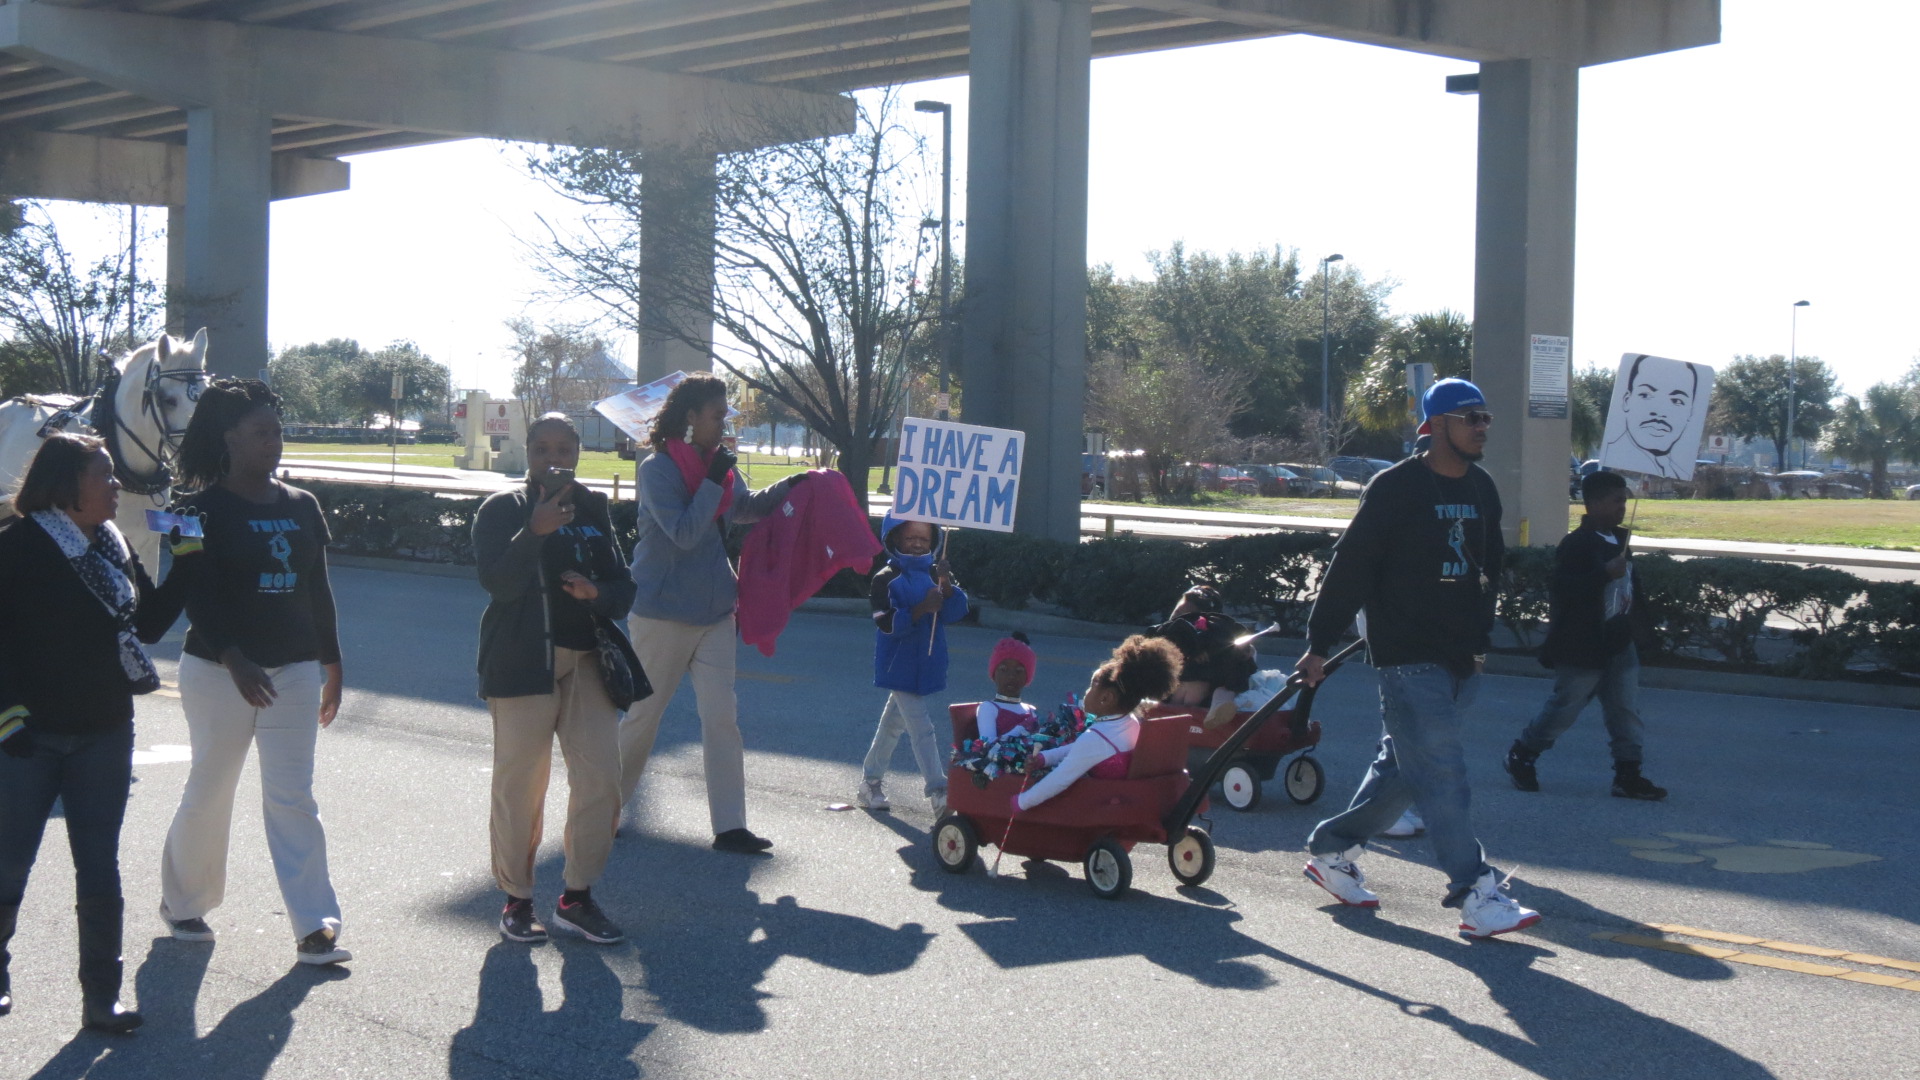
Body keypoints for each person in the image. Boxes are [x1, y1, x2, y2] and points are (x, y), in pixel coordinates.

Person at [1295, 377, 1541, 939]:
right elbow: (1352, 566)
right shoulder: (1395, 488)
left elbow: (1490, 570)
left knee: (1406, 771)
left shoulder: (1481, 487)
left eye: (1485, 418)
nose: (1482, 427)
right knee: (1443, 775)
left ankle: (1331, 851)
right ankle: (1474, 892)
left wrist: (1479, 645)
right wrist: (1319, 644)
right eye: (1470, 417)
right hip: (1406, 657)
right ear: (1437, 425)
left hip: (1460, 659)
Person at [156, 379, 351, 966]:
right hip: (217, 671)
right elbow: (192, 595)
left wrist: (332, 662)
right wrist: (233, 657)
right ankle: (183, 902)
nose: (274, 442)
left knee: (293, 795)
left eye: (278, 432)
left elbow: (318, 588)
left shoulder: (302, 505)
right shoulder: (191, 510)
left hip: (291, 669)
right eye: (261, 433)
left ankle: (314, 924)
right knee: (211, 789)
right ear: (229, 438)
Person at [0, 434, 184, 1032]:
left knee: (99, 866)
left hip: (105, 730)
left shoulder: (113, 542)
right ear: (66, 483)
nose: (116, 485)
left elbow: (151, 624)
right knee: (8, 864)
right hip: (30, 737)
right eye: (104, 474)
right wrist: (7, 720)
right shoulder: (19, 546)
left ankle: (100, 998)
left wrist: (188, 558)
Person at [618, 372, 804, 854]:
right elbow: (684, 531)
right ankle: (604, 807)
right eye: (717, 416)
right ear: (690, 417)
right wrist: (713, 476)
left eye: (726, 416)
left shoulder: (720, 466)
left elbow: (743, 509)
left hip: (716, 611)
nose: (724, 424)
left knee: (723, 718)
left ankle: (730, 826)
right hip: (661, 611)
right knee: (643, 718)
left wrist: (796, 485)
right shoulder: (656, 469)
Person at [475, 414, 638, 945]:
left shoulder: (592, 507)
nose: (554, 457)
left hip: (588, 658)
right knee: (520, 784)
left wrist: (598, 592)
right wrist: (535, 532)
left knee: (601, 778)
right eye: (543, 448)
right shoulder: (503, 509)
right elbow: (497, 583)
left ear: (577, 452)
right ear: (528, 452)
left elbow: (622, 585)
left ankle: (577, 897)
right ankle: (517, 900)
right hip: (521, 662)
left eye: (564, 448)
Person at [1504, 470, 1667, 800]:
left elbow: (1630, 591)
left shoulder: (1621, 542)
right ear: (1592, 504)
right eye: (1616, 501)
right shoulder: (1576, 544)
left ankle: (1627, 774)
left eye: (1624, 500)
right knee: (1565, 707)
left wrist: (1643, 631)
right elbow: (1565, 590)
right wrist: (1603, 573)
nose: (1622, 507)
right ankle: (1523, 753)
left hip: (1619, 641)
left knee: (1626, 711)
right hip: (1582, 644)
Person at [856, 514, 970, 814]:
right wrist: (920, 609)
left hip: (928, 661)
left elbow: (955, 612)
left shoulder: (937, 572)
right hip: (898, 665)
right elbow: (884, 623)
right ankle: (939, 791)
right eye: (910, 538)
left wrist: (946, 586)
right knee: (922, 728)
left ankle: (869, 781)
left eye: (924, 538)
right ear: (894, 539)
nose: (918, 544)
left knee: (893, 726)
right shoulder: (885, 577)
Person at [1014, 635, 1181, 811]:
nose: (1086, 692)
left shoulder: (1096, 738)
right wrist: (1045, 758)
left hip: (1101, 805)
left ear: (1106, 698)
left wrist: (1022, 802)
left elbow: (1060, 779)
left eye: (1092, 686)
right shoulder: (1128, 722)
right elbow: (1082, 749)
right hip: (1120, 797)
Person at [1147, 585, 1256, 730]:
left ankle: (1215, 706)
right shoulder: (1163, 634)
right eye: (1176, 613)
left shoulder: (1219, 639)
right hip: (1177, 693)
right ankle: (1215, 705)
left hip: (1194, 695)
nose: (1178, 620)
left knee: (1206, 686)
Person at [1603, 354, 1703, 479]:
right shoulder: (1613, 461)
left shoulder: (1677, 471)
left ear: (1690, 412)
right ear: (1627, 401)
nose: (1660, 412)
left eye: (1676, 401)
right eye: (1646, 395)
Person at [974, 633, 1039, 744]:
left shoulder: (1031, 711)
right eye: (1004, 670)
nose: (1011, 676)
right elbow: (988, 746)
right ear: (994, 673)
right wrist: (1020, 729)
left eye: (1019, 671)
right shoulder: (988, 708)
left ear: (1027, 677)